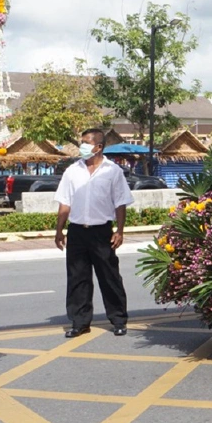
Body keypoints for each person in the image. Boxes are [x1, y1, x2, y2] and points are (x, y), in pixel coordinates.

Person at [54, 127, 133, 337]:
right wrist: (59, 230)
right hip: (77, 232)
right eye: (82, 142)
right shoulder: (72, 171)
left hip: (102, 232)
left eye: (86, 143)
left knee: (109, 276)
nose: (82, 146)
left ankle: (118, 319)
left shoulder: (112, 170)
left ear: (98, 147)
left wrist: (120, 231)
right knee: (78, 278)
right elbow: (64, 203)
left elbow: (121, 203)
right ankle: (80, 322)